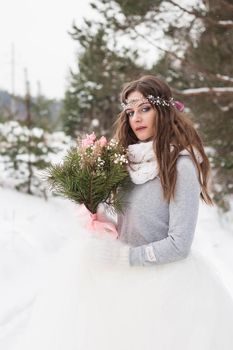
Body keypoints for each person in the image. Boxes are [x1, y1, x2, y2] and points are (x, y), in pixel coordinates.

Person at [16, 75, 233, 350]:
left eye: (145, 108)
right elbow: (126, 221)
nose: (136, 118)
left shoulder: (180, 165)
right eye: (130, 111)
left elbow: (179, 245)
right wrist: (96, 217)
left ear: (163, 110)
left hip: (166, 288)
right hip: (122, 280)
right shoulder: (125, 163)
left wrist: (124, 257)